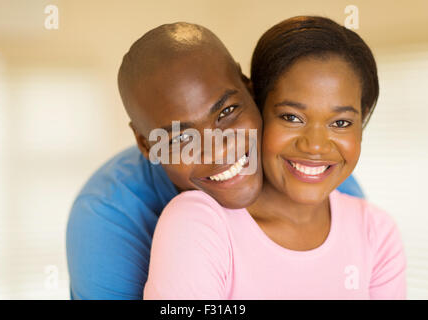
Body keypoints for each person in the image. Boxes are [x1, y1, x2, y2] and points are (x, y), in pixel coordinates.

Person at [66, 22, 365, 300]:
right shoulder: (106, 218)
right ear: (146, 145)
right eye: (181, 139)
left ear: (250, 89)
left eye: (227, 112)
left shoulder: (312, 175)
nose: (218, 151)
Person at [143, 16, 406, 299]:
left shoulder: (376, 233)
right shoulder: (199, 222)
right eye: (291, 117)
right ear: (256, 107)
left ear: (363, 122)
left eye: (341, 122)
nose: (315, 146)